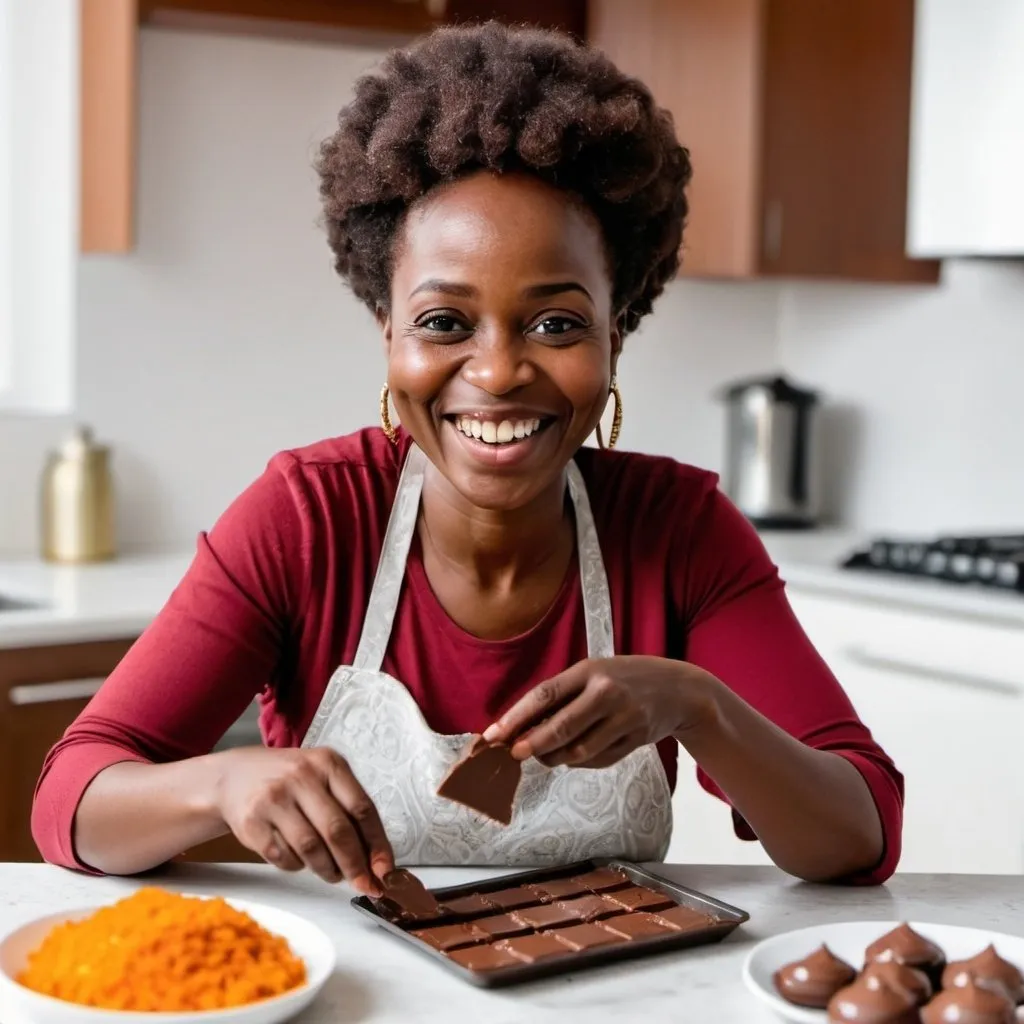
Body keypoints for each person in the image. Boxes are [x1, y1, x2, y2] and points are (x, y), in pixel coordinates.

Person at [32, 22, 903, 896]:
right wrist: (220, 784)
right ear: (389, 334)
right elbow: (70, 803)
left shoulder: (680, 533)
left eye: (557, 323)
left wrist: (697, 705)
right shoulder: (307, 518)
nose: (496, 372)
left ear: (615, 333)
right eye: (444, 322)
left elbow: (858, 837)